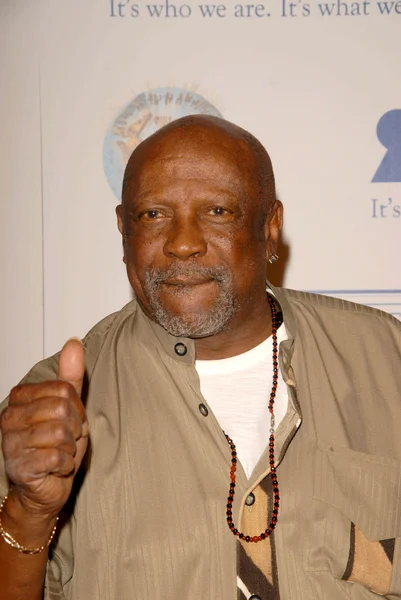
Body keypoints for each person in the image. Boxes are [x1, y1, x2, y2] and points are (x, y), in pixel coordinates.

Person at [0, 115, 400, 600]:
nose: (182, 243)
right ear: (122, 228)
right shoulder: (57, 406)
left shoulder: (387, 360)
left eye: (217, 211)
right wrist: (29, 512)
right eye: (152, 214)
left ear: (270, 226)